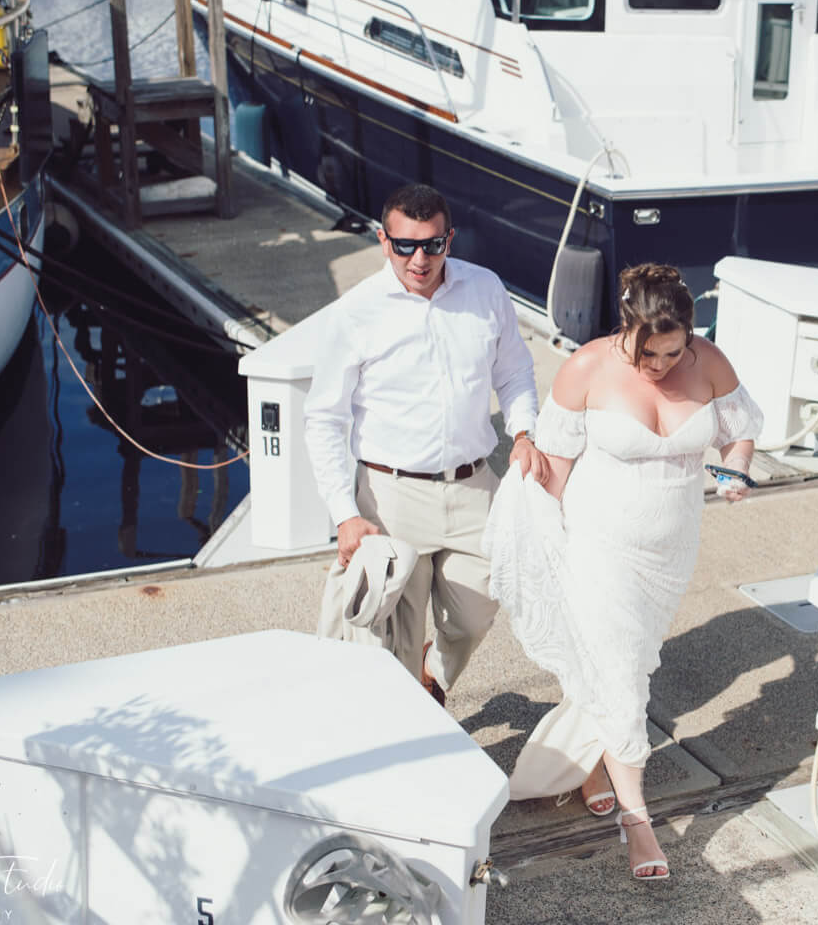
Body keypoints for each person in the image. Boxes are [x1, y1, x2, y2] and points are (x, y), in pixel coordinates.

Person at [486, 263, 762, 881]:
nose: (662, 364)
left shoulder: (709, 362)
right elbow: (555, 469)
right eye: (649, 353)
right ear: (627, 328)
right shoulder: (586, 368)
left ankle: (588, 766)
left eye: (674, 350)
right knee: (621, 675)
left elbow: (741, 433)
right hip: (600, 548)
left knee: (627, 664)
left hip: (670, 553)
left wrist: (737, 471)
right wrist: (535, 521)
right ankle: (639, 824)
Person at [305, 183, 548, 704]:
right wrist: (345, 514)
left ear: (450, 239)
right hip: (392, 496)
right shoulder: (355, 312)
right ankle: (411, 725)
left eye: (433, 245)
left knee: (484, 600)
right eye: (405, 245)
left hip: (474, 485)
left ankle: (432, 675)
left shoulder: (485, 291)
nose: (420, 259)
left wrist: (524, 432)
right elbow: (323, 419)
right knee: (395, 636)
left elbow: (516, 374)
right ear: (382, 240)